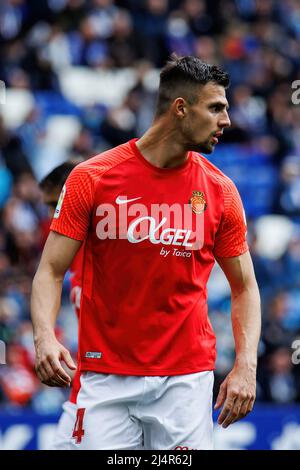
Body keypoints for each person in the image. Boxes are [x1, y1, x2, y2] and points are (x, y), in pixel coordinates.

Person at [31, 54, 261, 450]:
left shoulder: (221, 192)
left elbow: (245, 288)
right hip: (105, 377)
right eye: (216, 108)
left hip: (186, 381)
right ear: (180, 108)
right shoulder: (92, 179)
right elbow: (50, 270)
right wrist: (44, 338)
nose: (226, 121)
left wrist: (245, 366)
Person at [39, 160, 84, 449]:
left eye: (57, 203)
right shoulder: (66, 255)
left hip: (130, 384)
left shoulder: (112, 248)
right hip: (88, 386)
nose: (52, 214)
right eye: (48, 206)